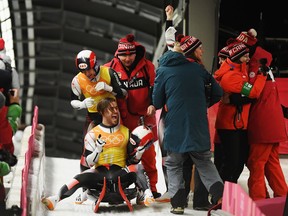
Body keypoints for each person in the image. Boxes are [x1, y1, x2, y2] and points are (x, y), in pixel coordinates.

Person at [42, 97, 156, 213]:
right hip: (99, 174)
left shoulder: (126, 132)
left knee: (139, 168)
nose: (115, 111)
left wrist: (139, 152)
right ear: (102, 112)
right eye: (111, 109)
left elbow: (133, 162)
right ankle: (56, 198)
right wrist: (97, 150)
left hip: (121, 174)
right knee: (78, 178)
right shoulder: (92, 134)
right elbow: (88, 162)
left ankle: (146, 194)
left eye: (116, 108)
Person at [152, 39, 224, 214]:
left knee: (174, 164)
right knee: (205, 162)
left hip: (175, 125)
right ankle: (220, 196)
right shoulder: (198, 69)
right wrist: (203, 104)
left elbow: (157, 101)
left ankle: (177, 204)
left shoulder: (162, 71)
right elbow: (218, 93)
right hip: (197, 124)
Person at [104, 34, 160, 198]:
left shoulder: (147, 67)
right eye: (123, 55)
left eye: (130, 54)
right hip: (121, 121)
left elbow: (156, 89)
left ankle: (153, 189)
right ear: (117, 54)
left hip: (144, 119)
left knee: (148, 155)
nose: (127, 58)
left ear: (135, 53)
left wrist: (153, 104)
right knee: (120, 155)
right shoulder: (109, 69)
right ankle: (120, 187)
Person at [235, 29, 288, 200]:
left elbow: (249, 92)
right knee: (271, 163)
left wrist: (235, 86)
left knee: (256, 163)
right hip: (273, 124)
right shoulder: (265, 64)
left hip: (262, 125)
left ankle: (259, 201)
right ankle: (282, 196)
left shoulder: (255, 67)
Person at [214, 42, 267, 183]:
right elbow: (254, 92)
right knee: (232, 163)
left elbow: (246, 95)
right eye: (245, 56)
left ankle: (228, 192)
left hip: (237, 124)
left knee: (238, 161)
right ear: (238, 57)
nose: (248, 59)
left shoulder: (239, 71)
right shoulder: (232, 77)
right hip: (230, 125)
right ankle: (221, 195)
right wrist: (262, 76)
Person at [71, 49, 127, 173]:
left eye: (89, 69)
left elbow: (124, 93)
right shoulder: (77, 80)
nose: (87, 73)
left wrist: (109, 88)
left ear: (95, 64)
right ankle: (86, 185)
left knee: (121, 145)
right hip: (93, 118)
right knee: (87, 148)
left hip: (113, 117)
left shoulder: (109, 73)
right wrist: (82, 104)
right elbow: (73, 100)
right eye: (84, 71)